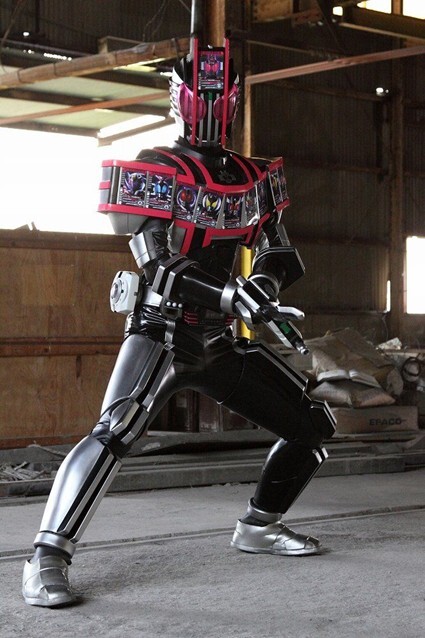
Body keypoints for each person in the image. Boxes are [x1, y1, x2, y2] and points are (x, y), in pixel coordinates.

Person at [22, 38, 335, 607]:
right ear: (181, 98)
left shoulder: (255, 175)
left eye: (222, 97)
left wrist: (260, 290)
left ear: (234, 101)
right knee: (115, 431)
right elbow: (158, 263)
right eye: (202, 96)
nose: (212, 108)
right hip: (161, 331)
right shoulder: (154, 167)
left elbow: (278, 253)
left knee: (311, 423)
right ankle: (46, 557)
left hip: (220, 339)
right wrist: (232, 294)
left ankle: (259, 526)